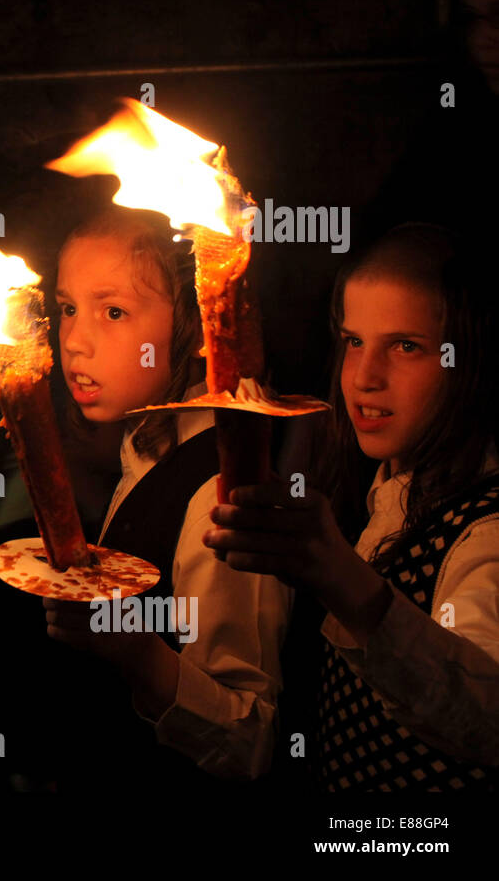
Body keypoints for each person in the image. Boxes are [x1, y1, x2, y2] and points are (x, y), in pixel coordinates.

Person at [206, 224, 499, 789]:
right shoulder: (385, 494)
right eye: (353, 341)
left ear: (469, 359)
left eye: (406, 346)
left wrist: (339, 577)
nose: (364, 378)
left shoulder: (484, 530)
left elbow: (485, 715)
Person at [42, 207, 291, 783]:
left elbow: (250, 740)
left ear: (192, 323)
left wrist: (136, 652)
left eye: (114, 311)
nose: (75, 341)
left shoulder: (218, 493)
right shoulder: (145, 447)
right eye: (68, 308)